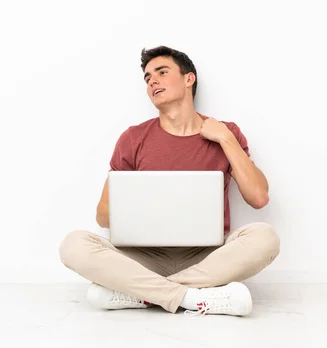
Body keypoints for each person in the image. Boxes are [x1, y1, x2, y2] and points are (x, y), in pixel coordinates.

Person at [58, 46, 280, 317]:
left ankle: (143, 294)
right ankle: (192, 297)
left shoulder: (227, 132)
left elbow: (259, 198)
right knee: (74, 245)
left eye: (162, 72)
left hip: (207, 256)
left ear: (189, 79)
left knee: (265, 238)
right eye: (148, 77)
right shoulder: (133, 138)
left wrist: (226, 139)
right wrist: (140, 204)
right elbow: (103, 217)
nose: (152, 80)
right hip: (145, 257)